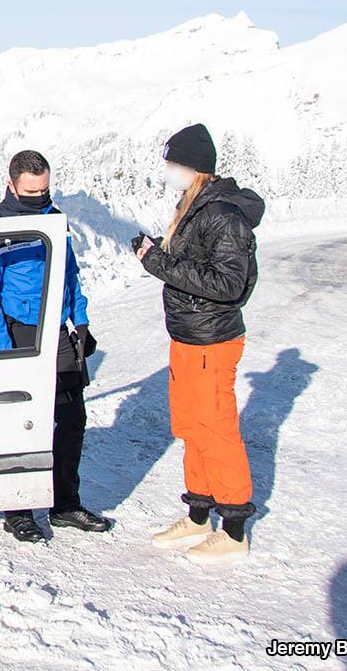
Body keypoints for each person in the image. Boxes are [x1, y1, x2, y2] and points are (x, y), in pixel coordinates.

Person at [0, 150, 111, 543]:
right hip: (18, 334)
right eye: (31, 192)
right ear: (12, 184)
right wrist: (3, 350)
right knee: (20, 425)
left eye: (44, 190)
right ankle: (18, 510)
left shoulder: (53, 217)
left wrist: (80, 320)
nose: (39, 198)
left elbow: (70, 274)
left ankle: (64, 504)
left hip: (57, 331)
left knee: (71, 419)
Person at [137, 123, 265, 563]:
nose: (169, 171)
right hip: (188, 337)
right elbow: (194, 265)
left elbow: (228, 283)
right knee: (191, 428)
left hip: (212, 339)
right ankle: (197, 516)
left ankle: (233, 528)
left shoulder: (223, 214)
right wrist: (158, 254)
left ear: (195, 165)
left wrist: (157, 262)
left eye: (174, 164)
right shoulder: (194, 205)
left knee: (217, 430)